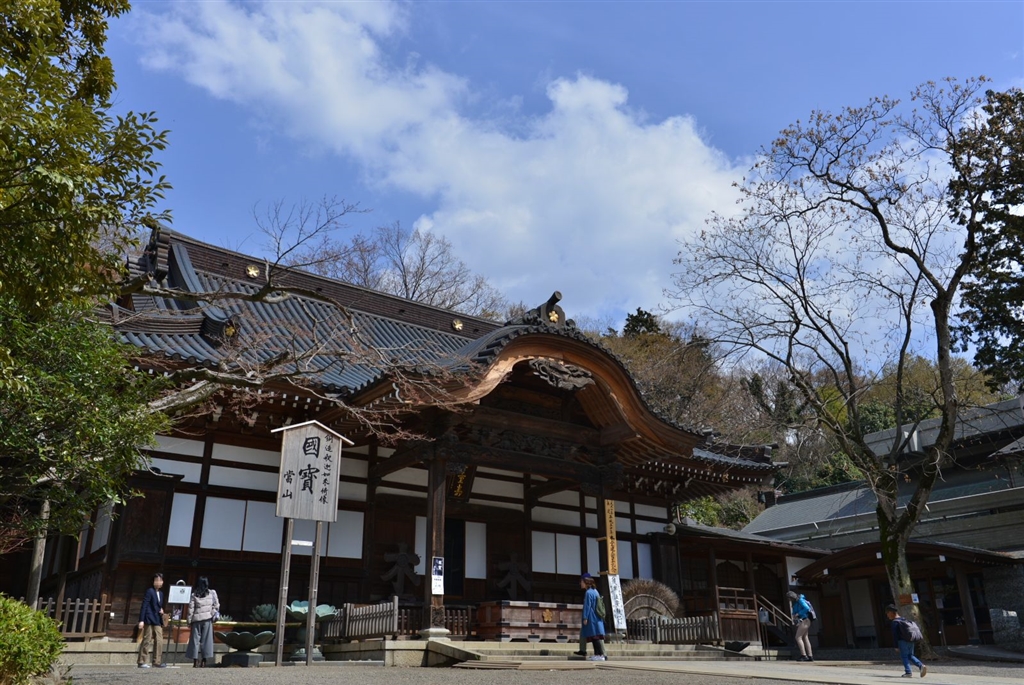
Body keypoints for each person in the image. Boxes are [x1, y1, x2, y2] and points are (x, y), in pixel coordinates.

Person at [186, 576, 220, 668]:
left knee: (195, 641)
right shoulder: (212, 593)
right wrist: (211, 613)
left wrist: (189, 621)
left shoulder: (194, 595)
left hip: (196, 620)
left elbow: (190, 609)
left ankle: (195, 661)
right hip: (207, 619)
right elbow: (217, 605)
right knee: (206, 640)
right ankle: (204, 661)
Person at [886, 605, 927, 678]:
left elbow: (895, 635)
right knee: (910, 655)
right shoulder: (904, 619)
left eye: (887, 613)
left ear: (891, 612)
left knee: (904, 656)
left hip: (902, 641)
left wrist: (896, 646)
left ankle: (908, 672)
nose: (887, 615)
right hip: (910, 640)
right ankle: (921, 666)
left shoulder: (895, 622)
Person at [137, 572, 167, 669]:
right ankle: (142, 661)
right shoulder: (149, 591)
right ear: (153, 581)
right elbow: (144, 605)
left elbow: (158, 605)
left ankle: (157, 661)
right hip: (149, 618)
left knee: (159, 639)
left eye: (160, 580)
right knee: (147, 639)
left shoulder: (161, 594)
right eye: (156, 580)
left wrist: (161, 610)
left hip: (157, 618)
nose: (158, 582)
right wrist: (141, 620)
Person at [580, 573, 608, 662]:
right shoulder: (595, 591)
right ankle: (597, 654)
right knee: (595, 637)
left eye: (582, 582)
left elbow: (587, 606)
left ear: (586, 583)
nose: (581, 583)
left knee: (595, 637)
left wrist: (585, 617)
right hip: (597, 617)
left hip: (592, 617)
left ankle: (600, 655)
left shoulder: (588, 593)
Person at [786, 590, 814, 662]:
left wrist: (798, 614)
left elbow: (807, 608)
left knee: (798, 637)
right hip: (805, 620)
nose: (789, 600)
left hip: (805, 619)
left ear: (791, 597)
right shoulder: (797, 601)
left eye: (789, 598)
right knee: (805, 637)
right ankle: (810, 656)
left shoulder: (800, 600)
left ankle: (804, 655)